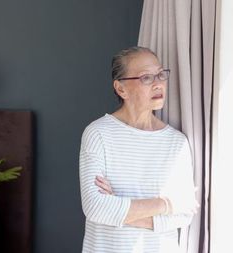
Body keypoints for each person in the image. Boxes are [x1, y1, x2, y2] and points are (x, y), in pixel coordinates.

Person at [79, 46, 199, 253]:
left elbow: (184, 214)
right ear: (121, 88)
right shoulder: (98, 133)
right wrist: (167, 204)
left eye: (161, 74)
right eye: (146, 78)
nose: (158, 83)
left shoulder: (177, 142)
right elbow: (96, 208)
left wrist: (118, 206)